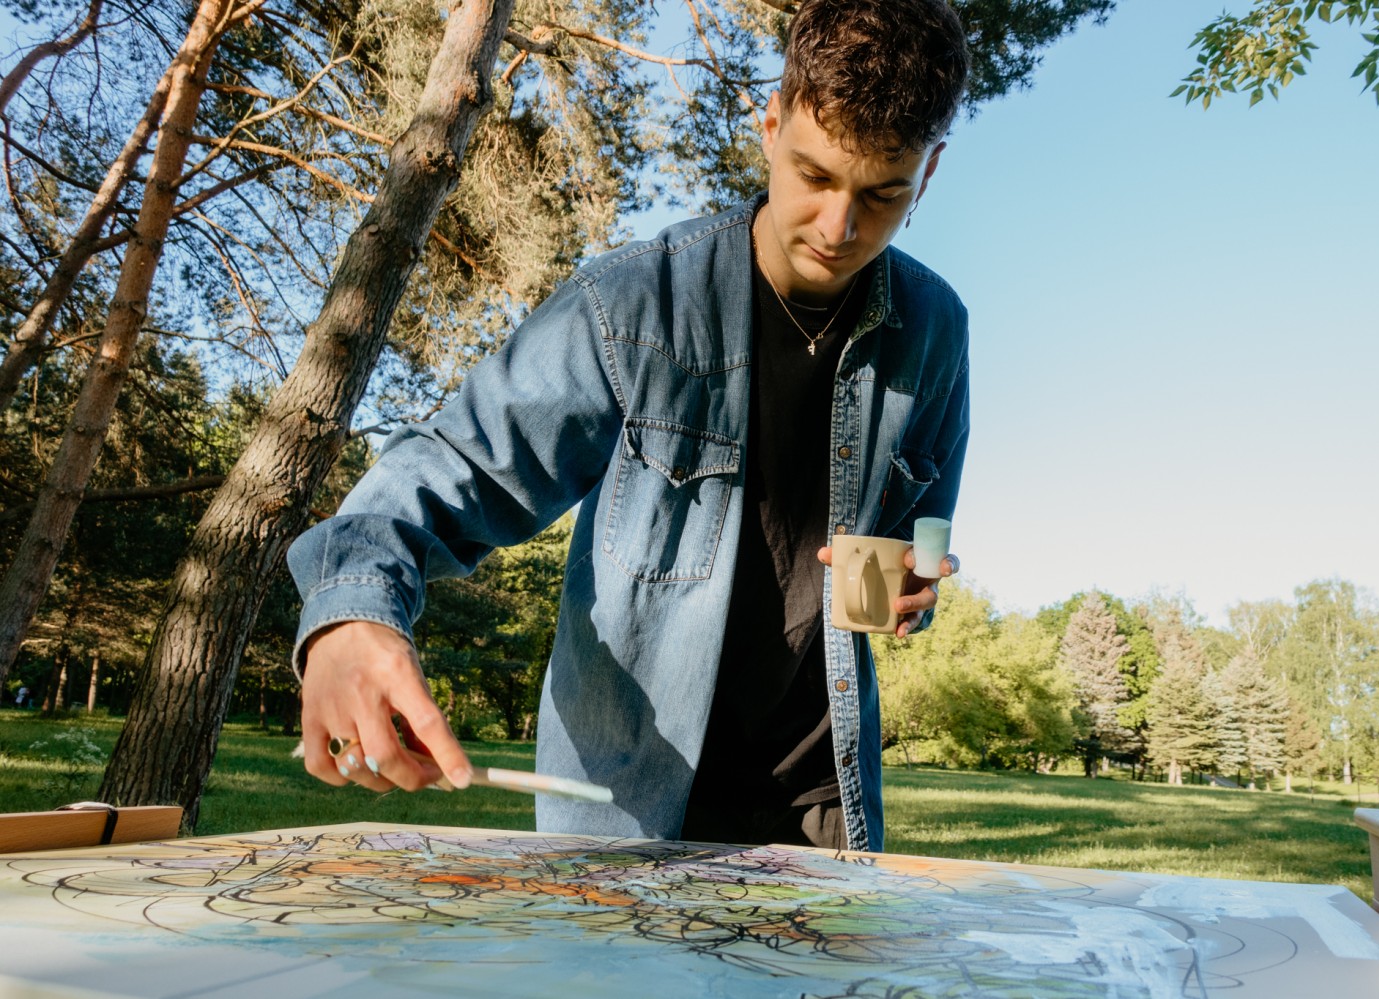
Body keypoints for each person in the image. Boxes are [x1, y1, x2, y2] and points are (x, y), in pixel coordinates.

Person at [289, 0, 971, 854]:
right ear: (770, 124)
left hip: (825, 799)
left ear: (930, 171)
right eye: (817, 175)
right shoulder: (630, 305)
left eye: (883, 193)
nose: (840, 228)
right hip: (629, 809)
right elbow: (451, 462)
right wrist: (352, 614)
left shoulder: (939, 329)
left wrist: (914, 588)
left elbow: (914, 549)